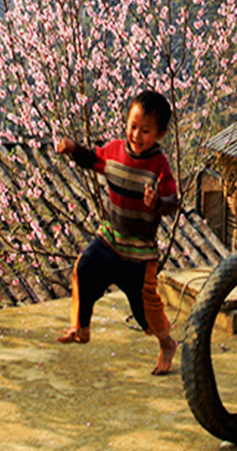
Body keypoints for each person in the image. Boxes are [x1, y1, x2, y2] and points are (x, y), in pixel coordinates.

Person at [54, 90, 181, 375]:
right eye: (132, 126)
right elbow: (92, 159)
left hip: (139, 253)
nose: (136, 135)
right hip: (111, 239)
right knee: (84, 268)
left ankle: (166, 342)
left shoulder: (159, 166)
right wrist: (73, 147)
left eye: (145, 131)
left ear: (159, 134)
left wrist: (157, 202)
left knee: (145, 312)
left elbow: (174, 202)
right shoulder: (114, 151)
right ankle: (80, 327)